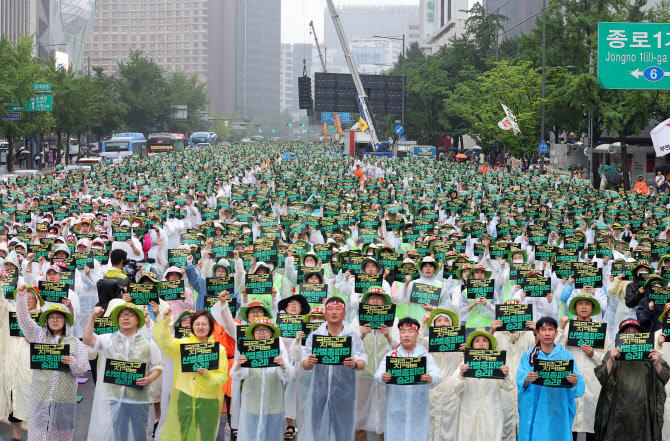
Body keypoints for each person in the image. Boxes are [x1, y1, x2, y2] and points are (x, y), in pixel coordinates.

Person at [15, 285, 89, 441]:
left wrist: (72, 361)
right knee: (37, 433)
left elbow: (82, 368)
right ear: (46, 320)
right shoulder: (38, 335)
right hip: (40, 397)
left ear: (66, 320)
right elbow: (23, 319)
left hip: (65, 399)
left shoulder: (75, 343)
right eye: (51, 317)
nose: (55, 320)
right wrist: (21, 298)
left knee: (62, 435)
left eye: (59, 316)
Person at [82, 302, 163, 441]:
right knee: (118, 435)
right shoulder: (109, 339)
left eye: (130, 314)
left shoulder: (148, 342)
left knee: (138, 435)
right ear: (118, 319)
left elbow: (158, 366)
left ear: (138, 319)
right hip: (114, 398)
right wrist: (92, 317)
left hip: (138, 399)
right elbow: (88, 339)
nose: (126, 318)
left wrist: (150, 379)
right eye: (122, 315)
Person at [153, 307, 228, 441]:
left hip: (208, 399)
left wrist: (207, 375)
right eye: (197, 324)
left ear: (210, 327)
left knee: (206, 434)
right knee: (185, 432)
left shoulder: (218, 350)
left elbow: (222, 376)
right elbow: (165, 343)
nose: (200, 327)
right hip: (185, 396)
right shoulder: (183, 345)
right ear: (192, 326)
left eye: (204, 324)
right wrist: (165, 321)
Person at [301, 297, 368, 441]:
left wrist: (355, 364)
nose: (334, 312)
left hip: (345, 391)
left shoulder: (352, 336)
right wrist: (310, 362)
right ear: (325, 313)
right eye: (330, 309)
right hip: (319, 390)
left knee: (344, 429)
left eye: (338, 309)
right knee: (318, 428)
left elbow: (362, 360)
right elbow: (304, 363)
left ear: (344, 313)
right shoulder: (315, 336)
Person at [594, 318, 669, 441]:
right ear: (620, 337)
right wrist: (611, 360)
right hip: (616, 413)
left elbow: (665, 376)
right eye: (626, 334)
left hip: (643, 413)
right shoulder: (612, 355)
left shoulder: (650, 354)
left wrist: (656, 364)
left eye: (635, 334)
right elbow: (602, 378)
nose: (631, 336)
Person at [517, 316, 585, 441]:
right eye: (543, 330)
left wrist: (574, 381)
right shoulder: (528, 355)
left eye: (550, 329)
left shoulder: (566, 355)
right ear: (537, 332)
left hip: (558, 406)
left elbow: (577, 386)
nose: (547, 333)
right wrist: (527, 379)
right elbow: (520, 382)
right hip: (535, 407)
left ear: (556, 333)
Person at [555, 293, 613, 441]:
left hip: (593, 385)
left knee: (592, 426)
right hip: (569, 383)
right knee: (569, 427)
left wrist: (594, 354)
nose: (584, 307)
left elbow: (610, 359)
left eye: (587, 304)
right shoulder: (567, 328)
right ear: (575, 307)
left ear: (593, 308)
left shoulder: (601, 331)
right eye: (580, 303)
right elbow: (554, 352)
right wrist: (561, 327)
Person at [375, 317, 443, 441]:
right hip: (395, 408)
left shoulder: (425, 357)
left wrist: (430, 378)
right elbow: (378, 374)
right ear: (399, 334)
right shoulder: (391, 356)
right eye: (403, 331)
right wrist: (382, 377)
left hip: (418, 408)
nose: (406, 335)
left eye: (410, 331)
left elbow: (438, 375)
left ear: (417, 334)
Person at [230, 317, 294, 441]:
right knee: (250, 436)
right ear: (253, 334)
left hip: (273, 405)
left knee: (272, 436)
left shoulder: (279, 351)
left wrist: (283, 365)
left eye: (265, 330)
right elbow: (235, 375)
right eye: (258, 330)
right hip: (252, 405)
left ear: (271, 333)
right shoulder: (247, 351)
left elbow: (289, 376)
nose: (261, 333)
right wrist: (239, 364)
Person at [453, 330, 513, 441]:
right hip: (469, 414)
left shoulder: (497, 364)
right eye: (477, 341)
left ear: (490, 345)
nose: (481, 344)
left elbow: (509, 387)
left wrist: (507, 375)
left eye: (485, 341)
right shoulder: (464, 364)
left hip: (491, 414)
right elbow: (455, 388)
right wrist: (461, 375)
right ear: (472, 345)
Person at [418, 308, 464, 441]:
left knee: (449, 424)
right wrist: (423, 322)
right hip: (431, 389)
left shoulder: (459, 344)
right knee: (430, 421)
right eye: (439, 321)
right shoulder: (427, 341)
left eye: (446, 321)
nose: (443, 324)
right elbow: (416, 342)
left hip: (451, 391)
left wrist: (466, 351)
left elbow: (464, 366)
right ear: (433, 324)